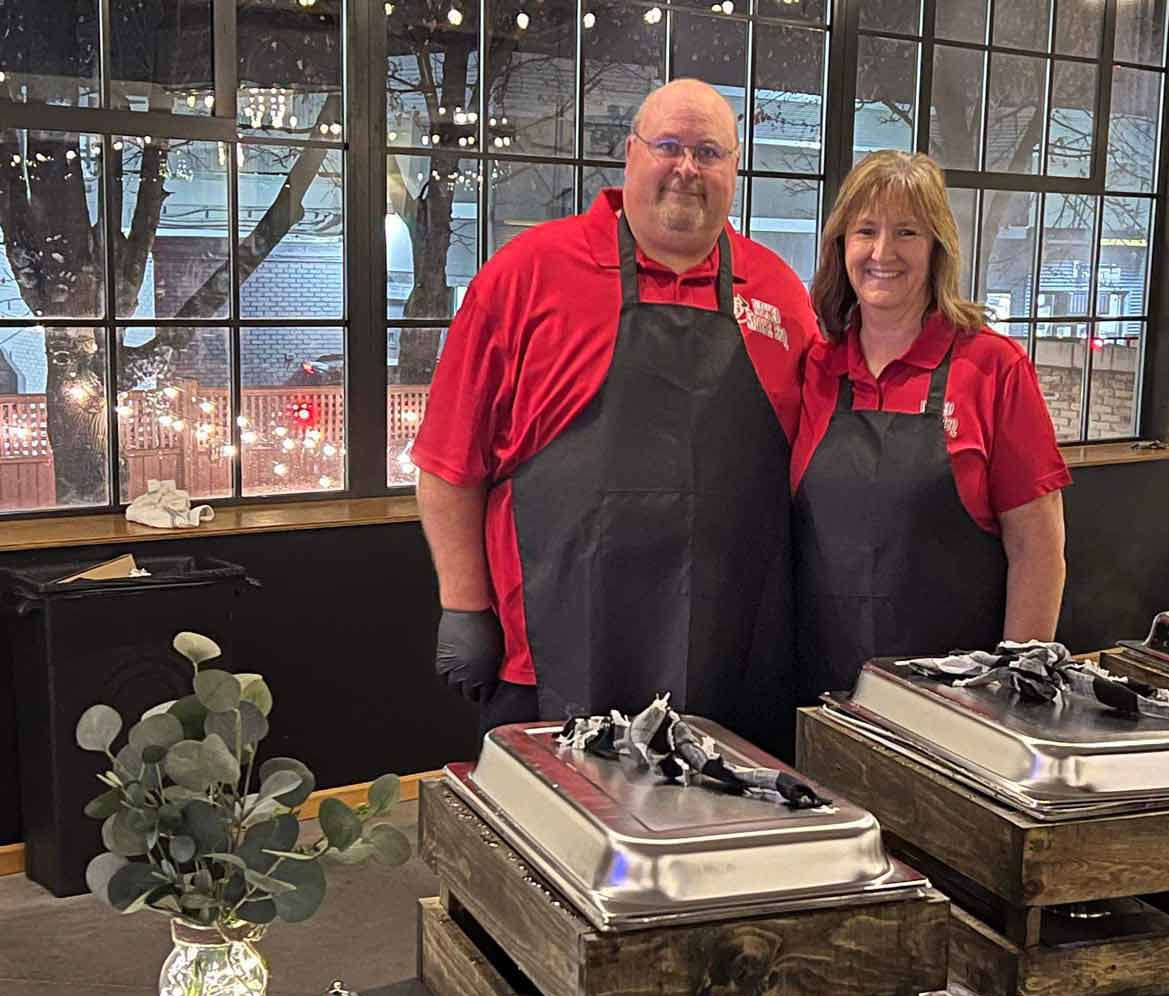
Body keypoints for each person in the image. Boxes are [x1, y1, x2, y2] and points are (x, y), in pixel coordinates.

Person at [412, 79, 817, 757]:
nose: (687, 168)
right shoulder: (527, 275)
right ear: (630, 156)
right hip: (547, 656)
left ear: (734, 171)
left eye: (709, 152)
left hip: (728, 662)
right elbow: (449, 462)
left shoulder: (779, 292)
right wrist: (464, 604)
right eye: (668, 146)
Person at [792, 151, 1071, 700]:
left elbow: (1038, 551)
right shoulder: (816, 366)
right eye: (865, 231)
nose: (882, 252)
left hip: (956, 706)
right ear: (840, 246)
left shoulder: (993, 367)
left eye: (907, 232)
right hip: (818, 693)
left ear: (937, 248)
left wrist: (1016, 688)